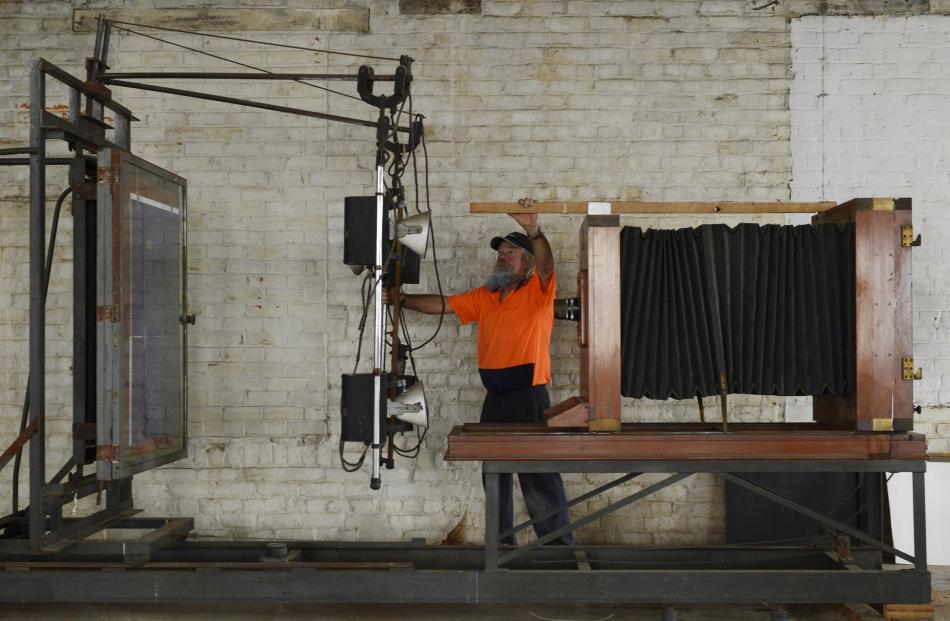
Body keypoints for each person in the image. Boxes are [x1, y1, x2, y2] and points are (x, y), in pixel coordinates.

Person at [389, 203, 573, 546]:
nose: (503, 257)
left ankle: (559, 549)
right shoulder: (486, 297)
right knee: (495, 474)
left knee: (538, 475)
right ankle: (502, 544)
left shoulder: (538, 291)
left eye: (511, 252)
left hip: (528, 395)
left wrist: (533, 230)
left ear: (528, 263)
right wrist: (401, 300)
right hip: (496, 398)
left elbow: (548, 265)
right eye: (501, 252)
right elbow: (443, 304)